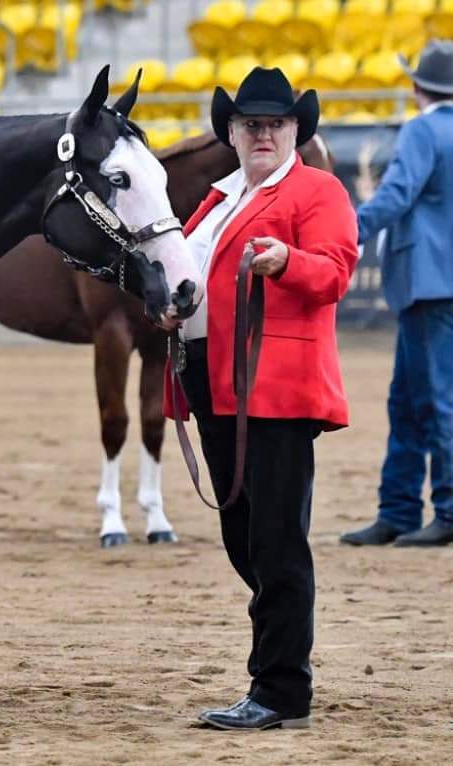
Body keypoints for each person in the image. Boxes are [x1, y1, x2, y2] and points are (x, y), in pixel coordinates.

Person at [162, 67, 359, 730]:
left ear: (297, 130)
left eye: (275, 123)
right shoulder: (218, 199)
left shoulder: (317, 190)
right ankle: (285, 649)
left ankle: (279, 689)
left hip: (274, 386)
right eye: (251, 123)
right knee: (244, 537)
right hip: (215, 383)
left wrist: (287, 263)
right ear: (233, 133)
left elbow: (335, 271)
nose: (263, 133)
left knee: (274, 540)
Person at [339, 40, 453, 548]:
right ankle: (401, 507)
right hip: (436, 283)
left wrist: (347, 228)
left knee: (431, 400)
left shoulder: (422, 130)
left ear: (416, 87)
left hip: (429, 281)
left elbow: (397, 193)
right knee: (411, 398)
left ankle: (441, 510)